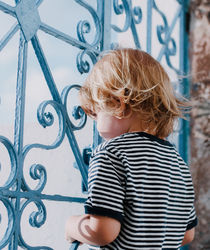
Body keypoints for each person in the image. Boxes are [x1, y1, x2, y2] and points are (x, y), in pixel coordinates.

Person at [65, 48, 197, 249]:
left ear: (118, 104)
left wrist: (73, 225)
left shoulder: (110, 154)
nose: (95, 119)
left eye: (96, 111)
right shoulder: (177, 162)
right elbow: (187, 234)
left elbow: (103, 231)